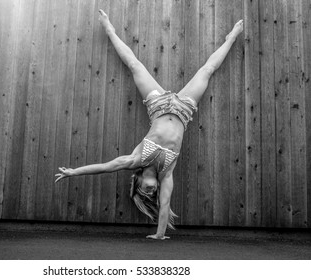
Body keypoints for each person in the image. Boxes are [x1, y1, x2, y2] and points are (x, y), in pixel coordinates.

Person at [55, 9, 244, 240]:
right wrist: (160, 234)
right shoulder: (166, 175)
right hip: (183, 109)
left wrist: (74, 172)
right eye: (150, 193)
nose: (151, 191)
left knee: (134, 65)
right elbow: (164, 206)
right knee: (207, 70)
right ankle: (232, 37)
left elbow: (103, 167)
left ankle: (109, 28)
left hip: (158, 105)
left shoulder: (135, 160)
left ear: (138, 181)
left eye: (145, 190)